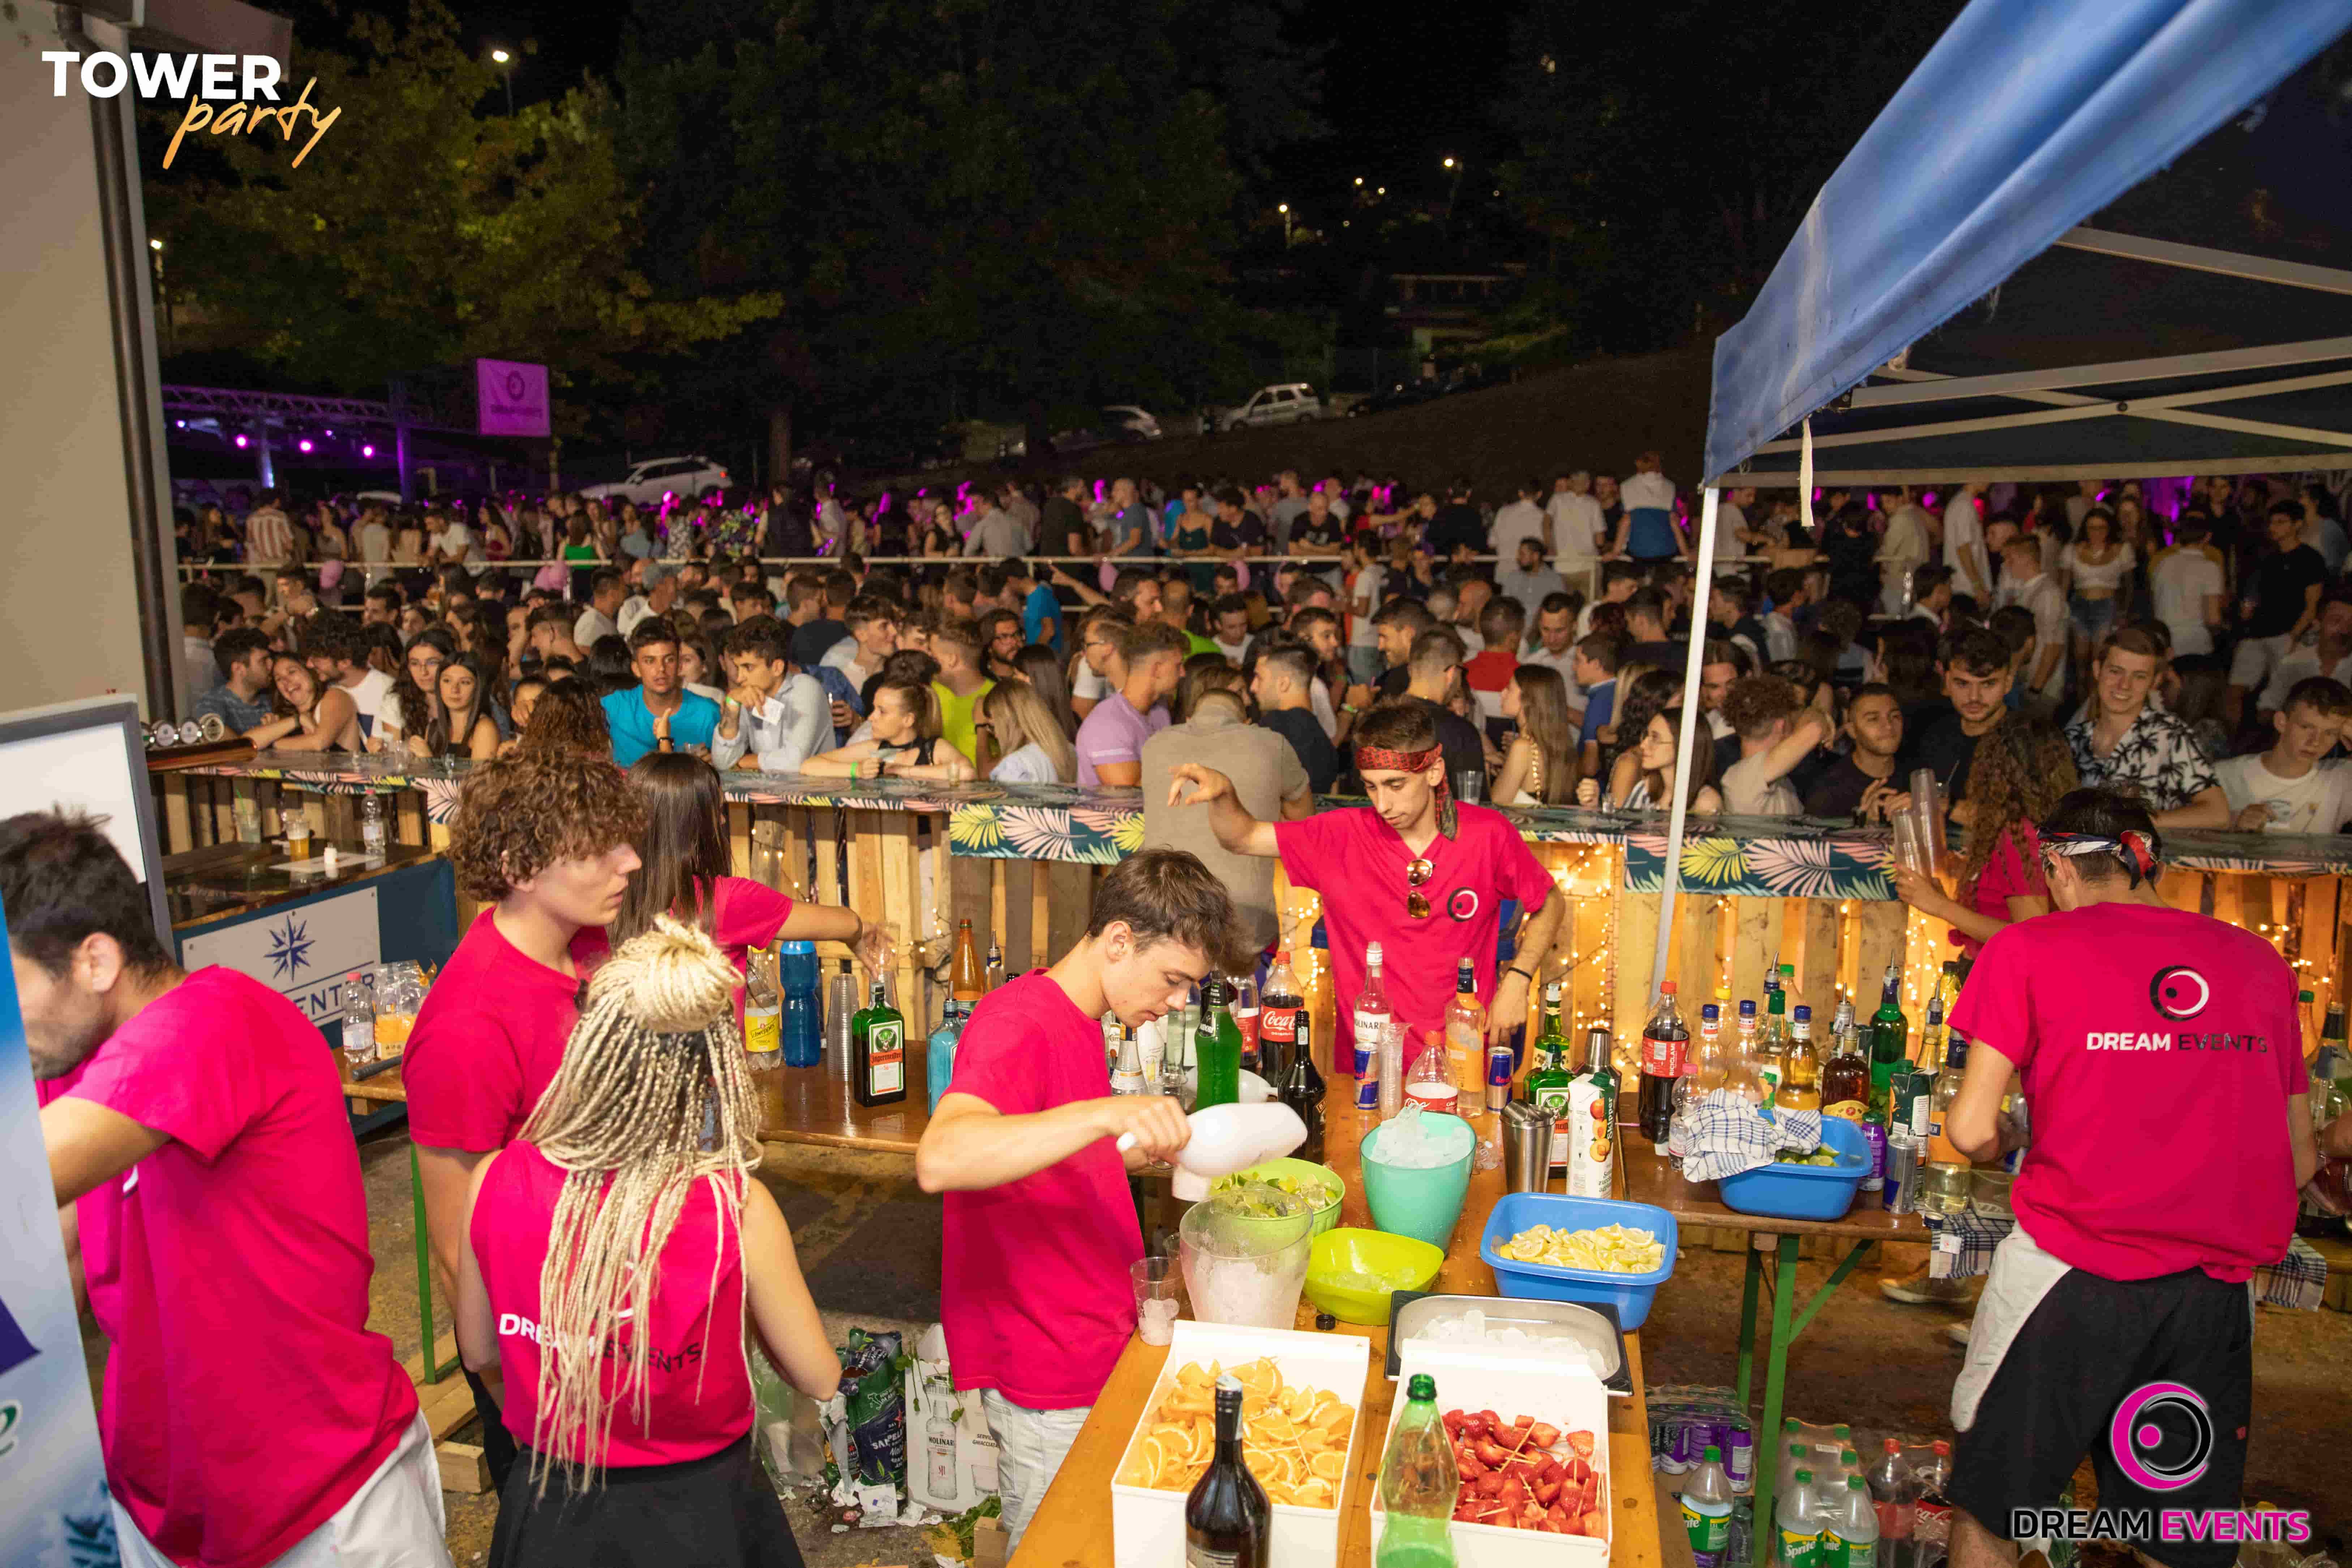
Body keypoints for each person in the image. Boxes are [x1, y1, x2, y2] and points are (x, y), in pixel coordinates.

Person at [15, 812, 454, 1568]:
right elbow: (55, 1259)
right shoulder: (66, 1059)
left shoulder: (214, 1021)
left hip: (322, 1507)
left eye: (8, 985)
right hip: (166, 1505)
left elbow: (22, 1177)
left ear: (96, 960)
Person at [1940, 790, 2316, 1568]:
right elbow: (2300, 1159)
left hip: (2067, 1276)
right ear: (2149, 864)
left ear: (2056, 867)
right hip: (2212, 1299)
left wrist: (2012, 1133)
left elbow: (1970, 1131)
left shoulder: (2026, 947)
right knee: (2174, 1538)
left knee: (1990, 1514)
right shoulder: (2260, 963)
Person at [455, 921, 841, 1567]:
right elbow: (819, 1374)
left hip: (552, 1511)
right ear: (713, 1072)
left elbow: (477, 1348)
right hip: (700, 1515)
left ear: (590, 1049)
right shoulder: (736, 1208)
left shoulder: (496, 1178)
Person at [916, 851, 1235, 1548]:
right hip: (1047, 1364)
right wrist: (1104, 1114)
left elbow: (1035, 1147)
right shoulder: (1017, 1020)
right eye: (1173, 979)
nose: (1178, 1001)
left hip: (1091, 1334)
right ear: (1119, 940)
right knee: (1059, 1549)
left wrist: (1117, 1147)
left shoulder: (1082, 1016)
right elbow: (941, 1157)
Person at [404, 754, 645, 1493]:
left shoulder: (586, 949)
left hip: (609, 1300)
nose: (630, 861)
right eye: (598, 848)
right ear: (518, 866)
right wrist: (521, 1408)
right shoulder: (469, 1026)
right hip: (540, 1348)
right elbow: (456, 1249)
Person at [1171, 700, 1565, 1078]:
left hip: (1463, 1064)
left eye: (1396, 785)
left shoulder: (1487, 834)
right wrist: (1224, 795)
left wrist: (1519, 979)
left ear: (1434, 771)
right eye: (1372, 787)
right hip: (1368, 1071)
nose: (1383, 804)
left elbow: (1550, 902)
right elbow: (1242, 837)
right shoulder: (1340, 835)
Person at [613, 752, 885, 991]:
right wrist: (858, 934)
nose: (723, 820)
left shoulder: (612, 893)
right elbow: (848, 922)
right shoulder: (725, 899)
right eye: (717, 811)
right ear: (692, 825)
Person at [1142, 682, 1312, 956]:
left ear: (1189, 718)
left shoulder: (1154, 745)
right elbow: (1303, 820)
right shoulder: (1272, 744)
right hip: (1244, 929)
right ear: (1246, 723)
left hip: (1158, 919)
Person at [1893, 715, 2072, 962]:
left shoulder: (2020, 832)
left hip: (2002, 972)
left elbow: (2030, 935)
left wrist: (1938, 905)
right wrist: (1966, 874)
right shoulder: (2033, 822)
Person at [2064, 628, 2226, 828]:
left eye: (2139, 676)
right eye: (2116, 672)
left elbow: (2218, 813)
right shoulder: (2072, 738)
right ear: (2098, 670)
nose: (2124, 685)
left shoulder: (2171, 735)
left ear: (2155, 682)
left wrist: (2138, 821)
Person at [2216, 676, 2352, 835]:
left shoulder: (2341, 779)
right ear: (2281, 722)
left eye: (2330, 733)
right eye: (2306, 727)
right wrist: (2232, 823)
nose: (2316, 742)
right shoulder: (2223, 775)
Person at [1900, 628, 2016, 809]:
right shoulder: (1931, 734)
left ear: (2008, 683)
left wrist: (1947, 808)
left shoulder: (2031, 743)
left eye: (1988, 684)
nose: (1974, 697)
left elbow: (2034, 818)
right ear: (1946, 681)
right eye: (1962, 684)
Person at [799, 675, 976, 782]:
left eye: (882, 712)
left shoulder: (933, 749)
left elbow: (967, 772)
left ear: (908, 720)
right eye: (874, 709)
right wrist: (857, 770)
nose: (871, 718)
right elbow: (809, 766)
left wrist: (902, 771)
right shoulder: (878, 749)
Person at [712, 616, 831, 773]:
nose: (739, 678)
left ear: (777, 668)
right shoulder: (748, 695)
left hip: (816, 789)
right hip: (766, 789)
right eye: (738, 668)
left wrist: (743, 762)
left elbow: (794, 762)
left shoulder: (806, 688)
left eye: (748, 668)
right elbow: (722, 762)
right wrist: (731, 708)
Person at [1076, 620, 1186, 787]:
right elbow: (1129, 793)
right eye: (1178, 666)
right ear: (1157, 670)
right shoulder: (1106, 724)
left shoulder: (1160, 711)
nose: (1183, 673)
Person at [603, 621, 722, 767]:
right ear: (636, 669)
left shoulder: (708, 713)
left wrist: (712, 768)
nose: (661, 669)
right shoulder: (616, 706)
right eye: (650, 661)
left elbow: (728, 768)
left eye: (669, 660)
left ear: (679, 665)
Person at [1580, 705, 1721, 815]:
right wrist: (1593, 807)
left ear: (1684, 745)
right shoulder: (1647, 788)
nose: (1643, 745)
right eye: (1646, 736)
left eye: (1655, 738)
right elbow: (1622, 834)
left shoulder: (1706, 802)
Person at [1801, 684, 1911, 820]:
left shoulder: (1918, 777)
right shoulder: (1829, 791)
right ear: (1852, 730)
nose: (1889, 726)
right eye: (1873, 719)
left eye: (1895, 716)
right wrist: (1866, 825)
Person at [1249, 641, 1338, 793]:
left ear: (1284, 684)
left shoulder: (1275, 727)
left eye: (1259, 678)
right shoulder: (1323, 741)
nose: (1253, 687)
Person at [1491, 663, 1577, 806]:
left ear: (1528, 699)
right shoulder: (1561, 744)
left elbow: (1497, 802)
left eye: (1509, 689)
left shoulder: (1523, 747)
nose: (1503, 693)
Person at [980, 678, 1078, 783]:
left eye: (994, 727)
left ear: (1008, 723)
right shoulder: (1070, 750)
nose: (996, 735)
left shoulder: (1014, 766)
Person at [189, 625, 278, 734]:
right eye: (263, 661)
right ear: (239, 669)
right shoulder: (210, 705)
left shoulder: (272, 700)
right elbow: (230, 743)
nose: (271, 664)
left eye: (270, 658)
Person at [419, 653, 504, 760]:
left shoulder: (485, 728)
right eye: (447, 681)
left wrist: (427, 759)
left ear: (477, 688)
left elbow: (480, 772)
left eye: (465, 683)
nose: (455, 690)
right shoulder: (433, 728)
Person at [1613, 451, 1682, 562]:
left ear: (1638, 464)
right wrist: (1686, 553)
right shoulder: (1670, 487)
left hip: (1638, 550)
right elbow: (1674, 522)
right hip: (1667, 550)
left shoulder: (1626, 486)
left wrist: (1615, 552)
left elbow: (1626, 521)